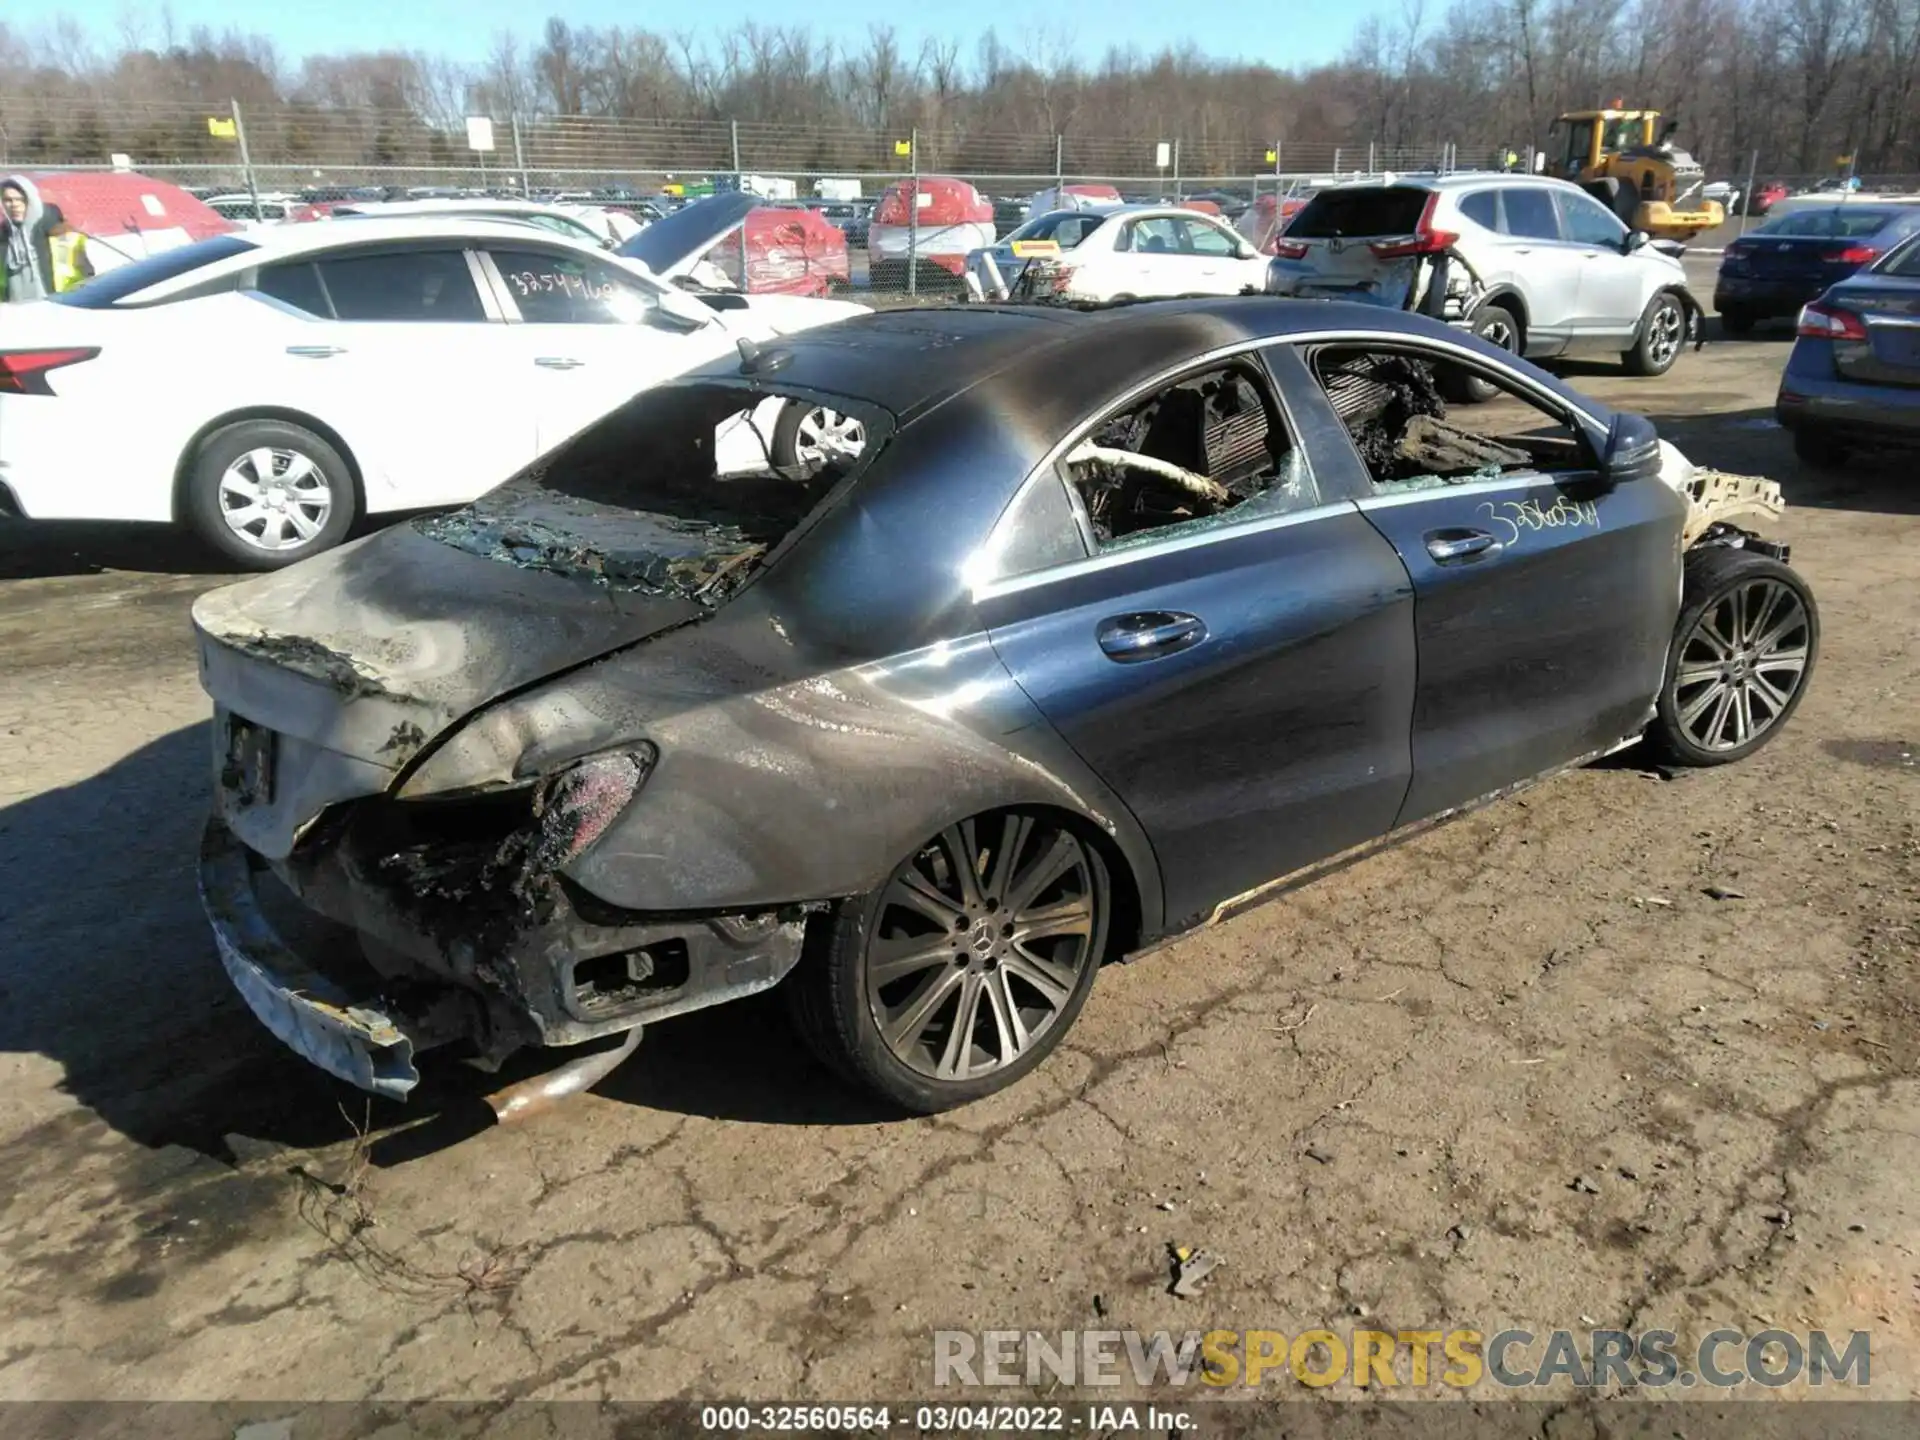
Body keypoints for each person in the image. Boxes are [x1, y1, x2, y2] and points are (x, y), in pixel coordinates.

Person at [1, 175, 94, 303]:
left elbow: (86, 276)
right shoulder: (4, 236)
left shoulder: (58, 233)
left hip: (55, 308)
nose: (14, 205)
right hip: (16, 314)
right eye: (8, 200)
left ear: (31, 201)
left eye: (20, 200)